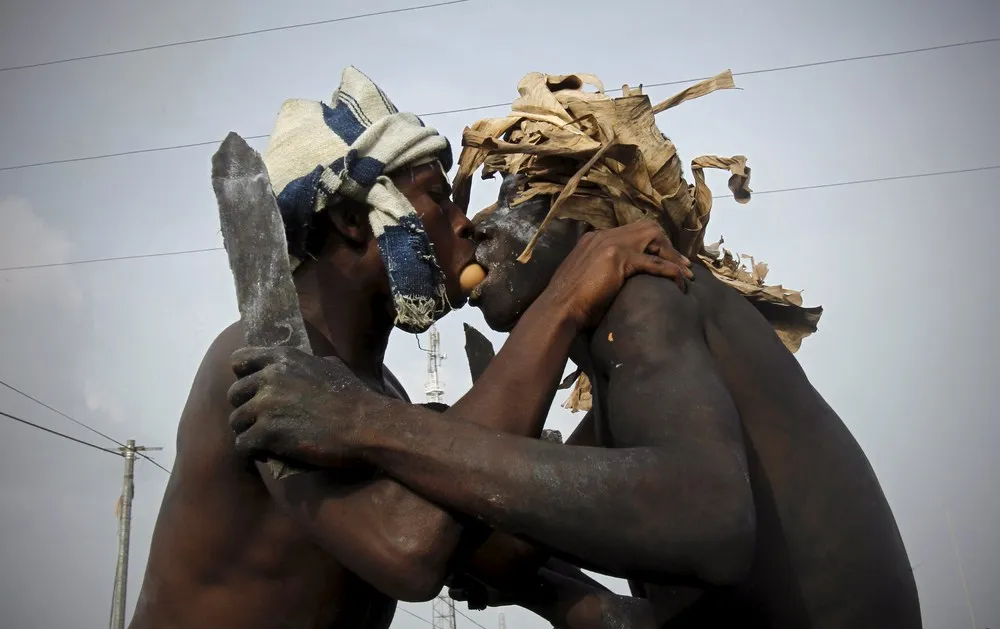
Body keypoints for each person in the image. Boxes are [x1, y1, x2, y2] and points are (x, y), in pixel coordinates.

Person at [227, 170, 924, 628]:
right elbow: (534, 551)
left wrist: (366, 422)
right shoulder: (635, 407)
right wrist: (535, 580)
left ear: (586, 220)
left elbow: (707, 521)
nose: (479, 227)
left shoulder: (650, 297)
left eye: (512, 193)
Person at [130, 67, 692, 629]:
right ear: (355, 219)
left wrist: (612, 372)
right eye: (439, 199)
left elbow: (508, 546)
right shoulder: (260, 367)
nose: (465, 224)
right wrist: (564, 303)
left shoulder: (379, 400)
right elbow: (408, 551)